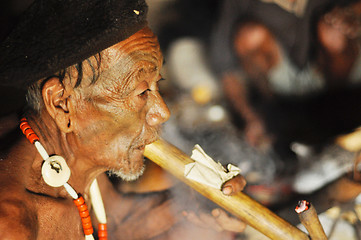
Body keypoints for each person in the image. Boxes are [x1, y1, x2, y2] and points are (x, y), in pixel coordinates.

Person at [0, 0, 246, 239]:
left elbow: (120, 220)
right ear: (61, 103)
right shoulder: (12, 224)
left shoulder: (70, 160)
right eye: (141, 92)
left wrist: (197, 203)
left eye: (156, 85)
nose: (162, 112)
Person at [211, 0, 361, 159]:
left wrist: (352, 14)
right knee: (250, 35)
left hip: (340, 74)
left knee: (332, 31)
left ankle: (336, 114)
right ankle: (275, 115)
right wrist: (252, 118)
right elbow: (226, 70)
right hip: (285, 85)